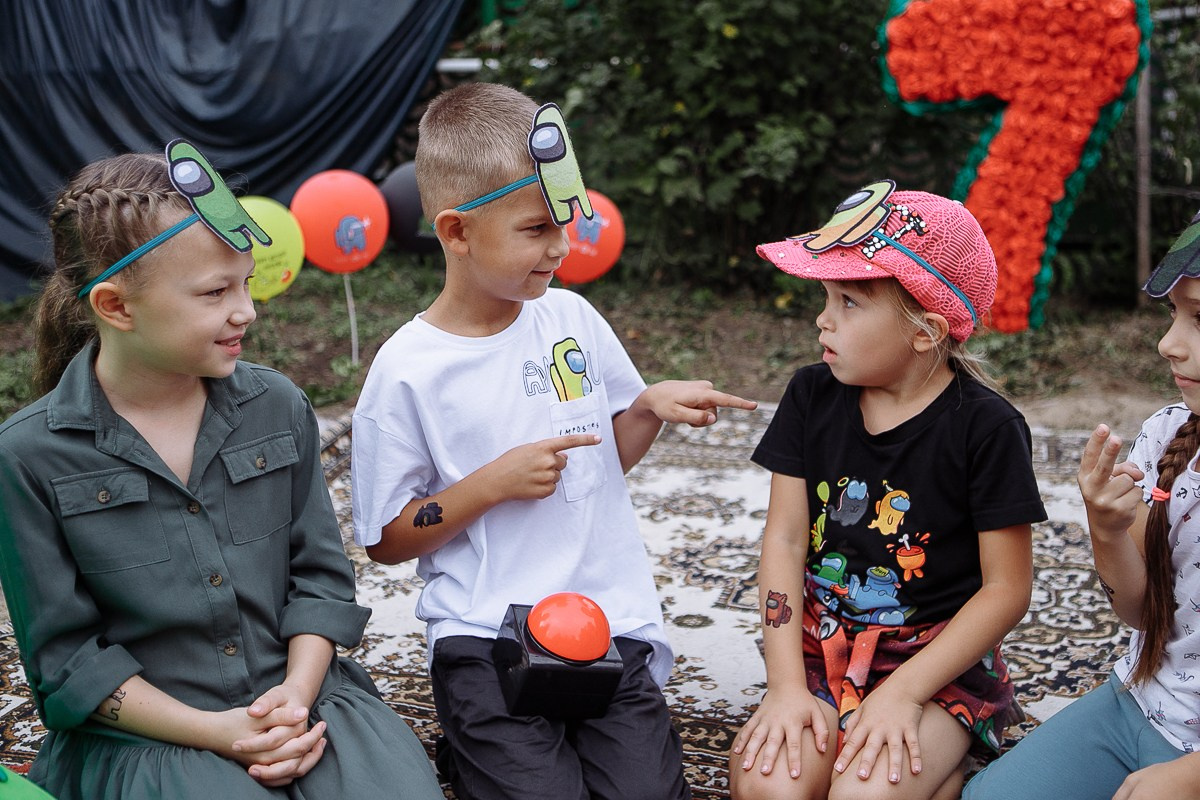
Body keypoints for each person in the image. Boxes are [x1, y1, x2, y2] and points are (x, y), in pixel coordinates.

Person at [350, 81, 757, 800]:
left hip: (606, 620)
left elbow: (604, 466)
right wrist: (489, 485)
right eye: (537, 229)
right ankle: (470, 745)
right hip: (483, 633)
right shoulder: (409, 372)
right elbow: (385, 537)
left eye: (565, 222)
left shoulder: (571, 319)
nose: (564, 247)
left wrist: (647, 411)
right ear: (456, 232)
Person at [0, 144, 442, 799]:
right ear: (117, 307)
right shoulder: (28, 456)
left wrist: (294, 699)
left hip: (308, 702)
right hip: (150, 741)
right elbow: (68, 665)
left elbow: (320, 579)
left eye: (246, 282)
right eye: (215, 292)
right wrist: (219, 733)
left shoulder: (278, 407)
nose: (247, 311)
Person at [728, 181, 1048, 800]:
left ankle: (951, 762)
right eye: (826, 296)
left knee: (864, 792)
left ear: (925, 332)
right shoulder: (809, 395)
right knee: (770, 784)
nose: (823, 318)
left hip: (933, 665)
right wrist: (787, 687)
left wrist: (902, 693)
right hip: (822, 646)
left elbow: (1007, 589)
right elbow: (786, 539)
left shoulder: (988, 429)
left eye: (849, 301)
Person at [963, 208, 1200, 800]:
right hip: (1141, 707)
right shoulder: (1167, 436)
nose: (1167, 343)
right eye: (1173, 314)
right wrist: (1108, 529)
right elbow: (1141, 611)